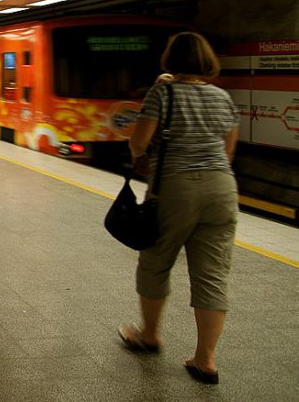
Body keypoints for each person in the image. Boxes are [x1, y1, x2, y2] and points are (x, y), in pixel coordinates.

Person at [118, 32, 239, 386]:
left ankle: (149, 336)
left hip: (175, 187)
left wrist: (144, 155)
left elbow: (138, 142)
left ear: (171, 58)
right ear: (206, 61)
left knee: (155, 262)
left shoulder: (162, 92)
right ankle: (205, 360)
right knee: (212, 274)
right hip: (221, 188)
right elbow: (228, 149)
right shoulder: (221, 96)